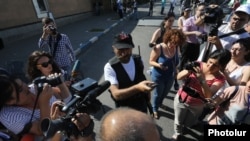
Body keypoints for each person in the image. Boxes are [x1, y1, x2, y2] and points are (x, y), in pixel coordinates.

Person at [172, 49, 231, 140]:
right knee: (178, 120)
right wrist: (188, 71)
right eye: (210, 61)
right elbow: (178, 77)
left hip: (197, 104)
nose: (210, 66)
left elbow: (208, 95)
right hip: (182, 98)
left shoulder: (220, 79)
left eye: (215, 65)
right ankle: (178, 132)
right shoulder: (198, 64)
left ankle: (186, 127)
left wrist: (202, 80)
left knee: (189, 122)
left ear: (222, 66)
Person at [0, 70, 72, 140]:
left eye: (23, 83)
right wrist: (44, 103)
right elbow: (42, 131)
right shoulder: (8, 115)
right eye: (20, 90)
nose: (26, 87)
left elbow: (66, 98)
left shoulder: (35, 87)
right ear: (9, 101)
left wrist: (60, 84)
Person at [104, 32, 155, 113]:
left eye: (127, 49)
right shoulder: (110, 67)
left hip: (141, 104)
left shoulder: (137, 60)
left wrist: (147, 93)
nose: (124, 53)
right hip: (125, 109)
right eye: (120, 50)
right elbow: (116, 94)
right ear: (113, 48)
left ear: (132, 48)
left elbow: (141, 77)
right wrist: (137, 87)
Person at [149, 29, 186, 119]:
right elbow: (150, 61)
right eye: (172, 42)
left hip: (171, 76)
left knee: (165, 93)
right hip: (159, 76)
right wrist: (158, 65)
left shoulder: (176, 48)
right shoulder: (158, 48)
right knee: (158, 93)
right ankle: (154, 108)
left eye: (176, 43)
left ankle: (160, 104)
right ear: (168, 38)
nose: (173, 45)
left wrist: (177, 69)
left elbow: (177, 61)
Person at [179, 2, 207, 71]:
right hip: (188, 44)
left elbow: (205, 32)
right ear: (196, 11)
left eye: (204, 10)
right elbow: (183, 32)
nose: (202, 12)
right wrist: (194, 32)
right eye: (201, 10)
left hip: (197, 45)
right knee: (184, 61)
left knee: (194, 62)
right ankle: (180, 73)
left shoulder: (205, 22)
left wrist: (203, 35)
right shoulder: (189, 20)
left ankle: (191, 76)